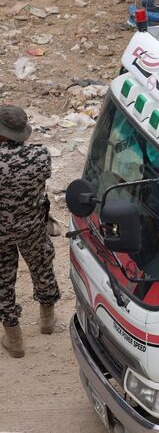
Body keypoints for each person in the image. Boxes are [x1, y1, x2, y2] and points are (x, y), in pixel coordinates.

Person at [0, 105, 60, 358]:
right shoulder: (40, 155)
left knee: (2, 282)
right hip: (32, 227)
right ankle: (47, 320)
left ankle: (15, 340)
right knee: (42, 267)